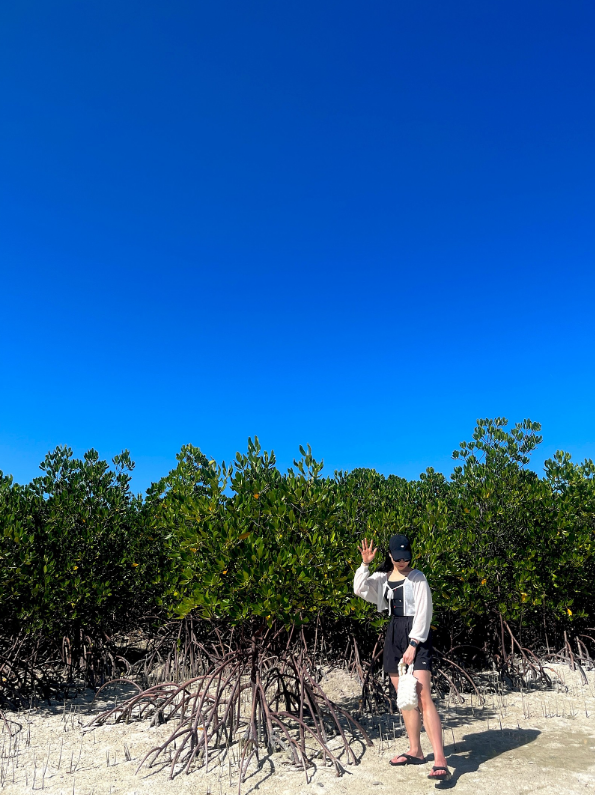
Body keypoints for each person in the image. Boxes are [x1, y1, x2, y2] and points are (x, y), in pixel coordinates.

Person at [354, 534, 451, 781]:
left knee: (422, 695)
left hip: (416, 635)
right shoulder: (382, 579)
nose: (402, 562)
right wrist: (364, 565)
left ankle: (440, 758)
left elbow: (424, 612)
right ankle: (415, 750)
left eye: (405, 558)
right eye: (397, 558)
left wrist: (414, 643)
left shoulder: (418, 578)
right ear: (390, 556)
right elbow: (359, 589)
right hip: (394, 633)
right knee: (405, 698)